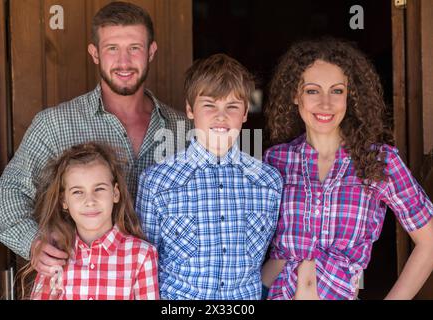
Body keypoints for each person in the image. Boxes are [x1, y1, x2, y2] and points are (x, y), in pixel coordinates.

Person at [0, 1, 191, 279]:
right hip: (82, 283)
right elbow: (9, 191)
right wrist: (32, 243)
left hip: (169, 287)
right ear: (94, 53)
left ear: (151, 51)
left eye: (135, 48)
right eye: (112, 49)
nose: (124, 62)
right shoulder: (54, 125)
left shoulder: (186, 129)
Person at [261, 38, 433, 300]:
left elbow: (429, 242)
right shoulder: (276, 161)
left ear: (350, 95)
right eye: (312, 91)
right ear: (295, 95)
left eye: (337, 91)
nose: (326, 103)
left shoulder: (379, 161)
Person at [135, 53, 283, 299]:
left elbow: (278, 255)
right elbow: (143, 264)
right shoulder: (157, 182)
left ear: (245, 112)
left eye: (232, 106)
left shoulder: (268, 181)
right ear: (190, 109)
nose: (221, 116)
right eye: (209, 105)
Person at [20, 142, 159, 300]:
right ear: (63, 201)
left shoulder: (141, 255)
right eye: (78, 192)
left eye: (99, 189)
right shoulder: (54, 254)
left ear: (115, 193)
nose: (90, 201)